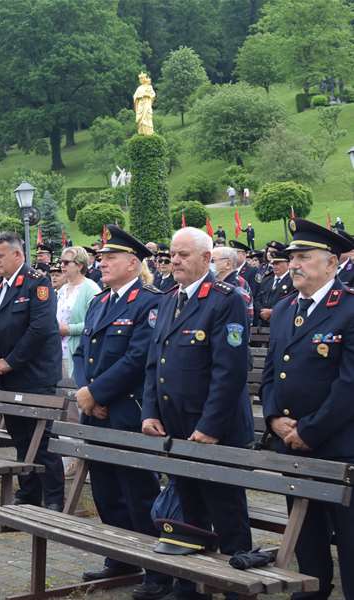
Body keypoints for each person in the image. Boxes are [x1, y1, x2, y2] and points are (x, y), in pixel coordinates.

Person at [142, 227, 254, 598]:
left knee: (226, 512)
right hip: (175, 427)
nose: (174, 260)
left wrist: (210, 426)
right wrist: (150, 412)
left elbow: (230, 372)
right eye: (172, 254)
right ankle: (190, 586)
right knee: (187, 512)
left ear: (207, 259)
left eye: (184, 254)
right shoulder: (168, 298)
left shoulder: (225, 299)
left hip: (213, 431)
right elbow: (153, 363)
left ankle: (239, 587)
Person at [72, 226, 170, 600]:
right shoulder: (100, 301)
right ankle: (120, 555)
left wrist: (96, 392)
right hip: (94, 409)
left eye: (109, 258)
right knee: (106, 486)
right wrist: (85, 392)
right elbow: (83, 352)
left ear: (133, 262)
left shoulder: (149, 301)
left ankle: (155, 566)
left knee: (138, 488)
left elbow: (138, 358)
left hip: (126, 408)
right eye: (101, 257)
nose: (102, 263)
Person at [260, 219, 354, 599]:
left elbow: (349, 384)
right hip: (291, 444)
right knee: (305, 529)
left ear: (331, 264)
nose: (294, 263)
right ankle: (313, 590)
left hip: (338, 445)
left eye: (304, 257)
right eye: (291, 257)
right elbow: (270, 374)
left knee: (349, 536)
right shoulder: (284, 309)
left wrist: (308, 430)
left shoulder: (348, 308)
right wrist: (275, 421)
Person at [0, 232, 65, 510]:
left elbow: (40, 329)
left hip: (34, 375)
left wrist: (10, 361)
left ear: (18, 255)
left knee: (41, 439)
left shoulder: (36, 284)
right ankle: (29, 493)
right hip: (7, 376)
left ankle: (53, 499)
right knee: (19, 439)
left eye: (0, 256)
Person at [56, 246, 100, 378]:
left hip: (78, 351)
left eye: (66, 262)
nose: (61, 265)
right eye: (61, 262)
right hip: (59, 351)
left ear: (80, 265)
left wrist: (69, 329)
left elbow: (95, 322)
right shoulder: (63, 289)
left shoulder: (91, 289)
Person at [212, 246, 254, 327]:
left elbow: (238, 320)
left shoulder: (238, 285)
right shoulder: (216, 283)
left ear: (228, 264)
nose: (209, 264)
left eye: (213, 260)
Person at [255, 251, 293, 324]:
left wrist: (272, 312)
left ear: (288, 264)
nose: (275, 267)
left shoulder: (292, 281)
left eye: (278, 263)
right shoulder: (266, 280)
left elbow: (291, 303)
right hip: (262, 323)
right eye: (273, 264)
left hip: (282, 322)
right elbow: (257, 299)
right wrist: (262, 311)